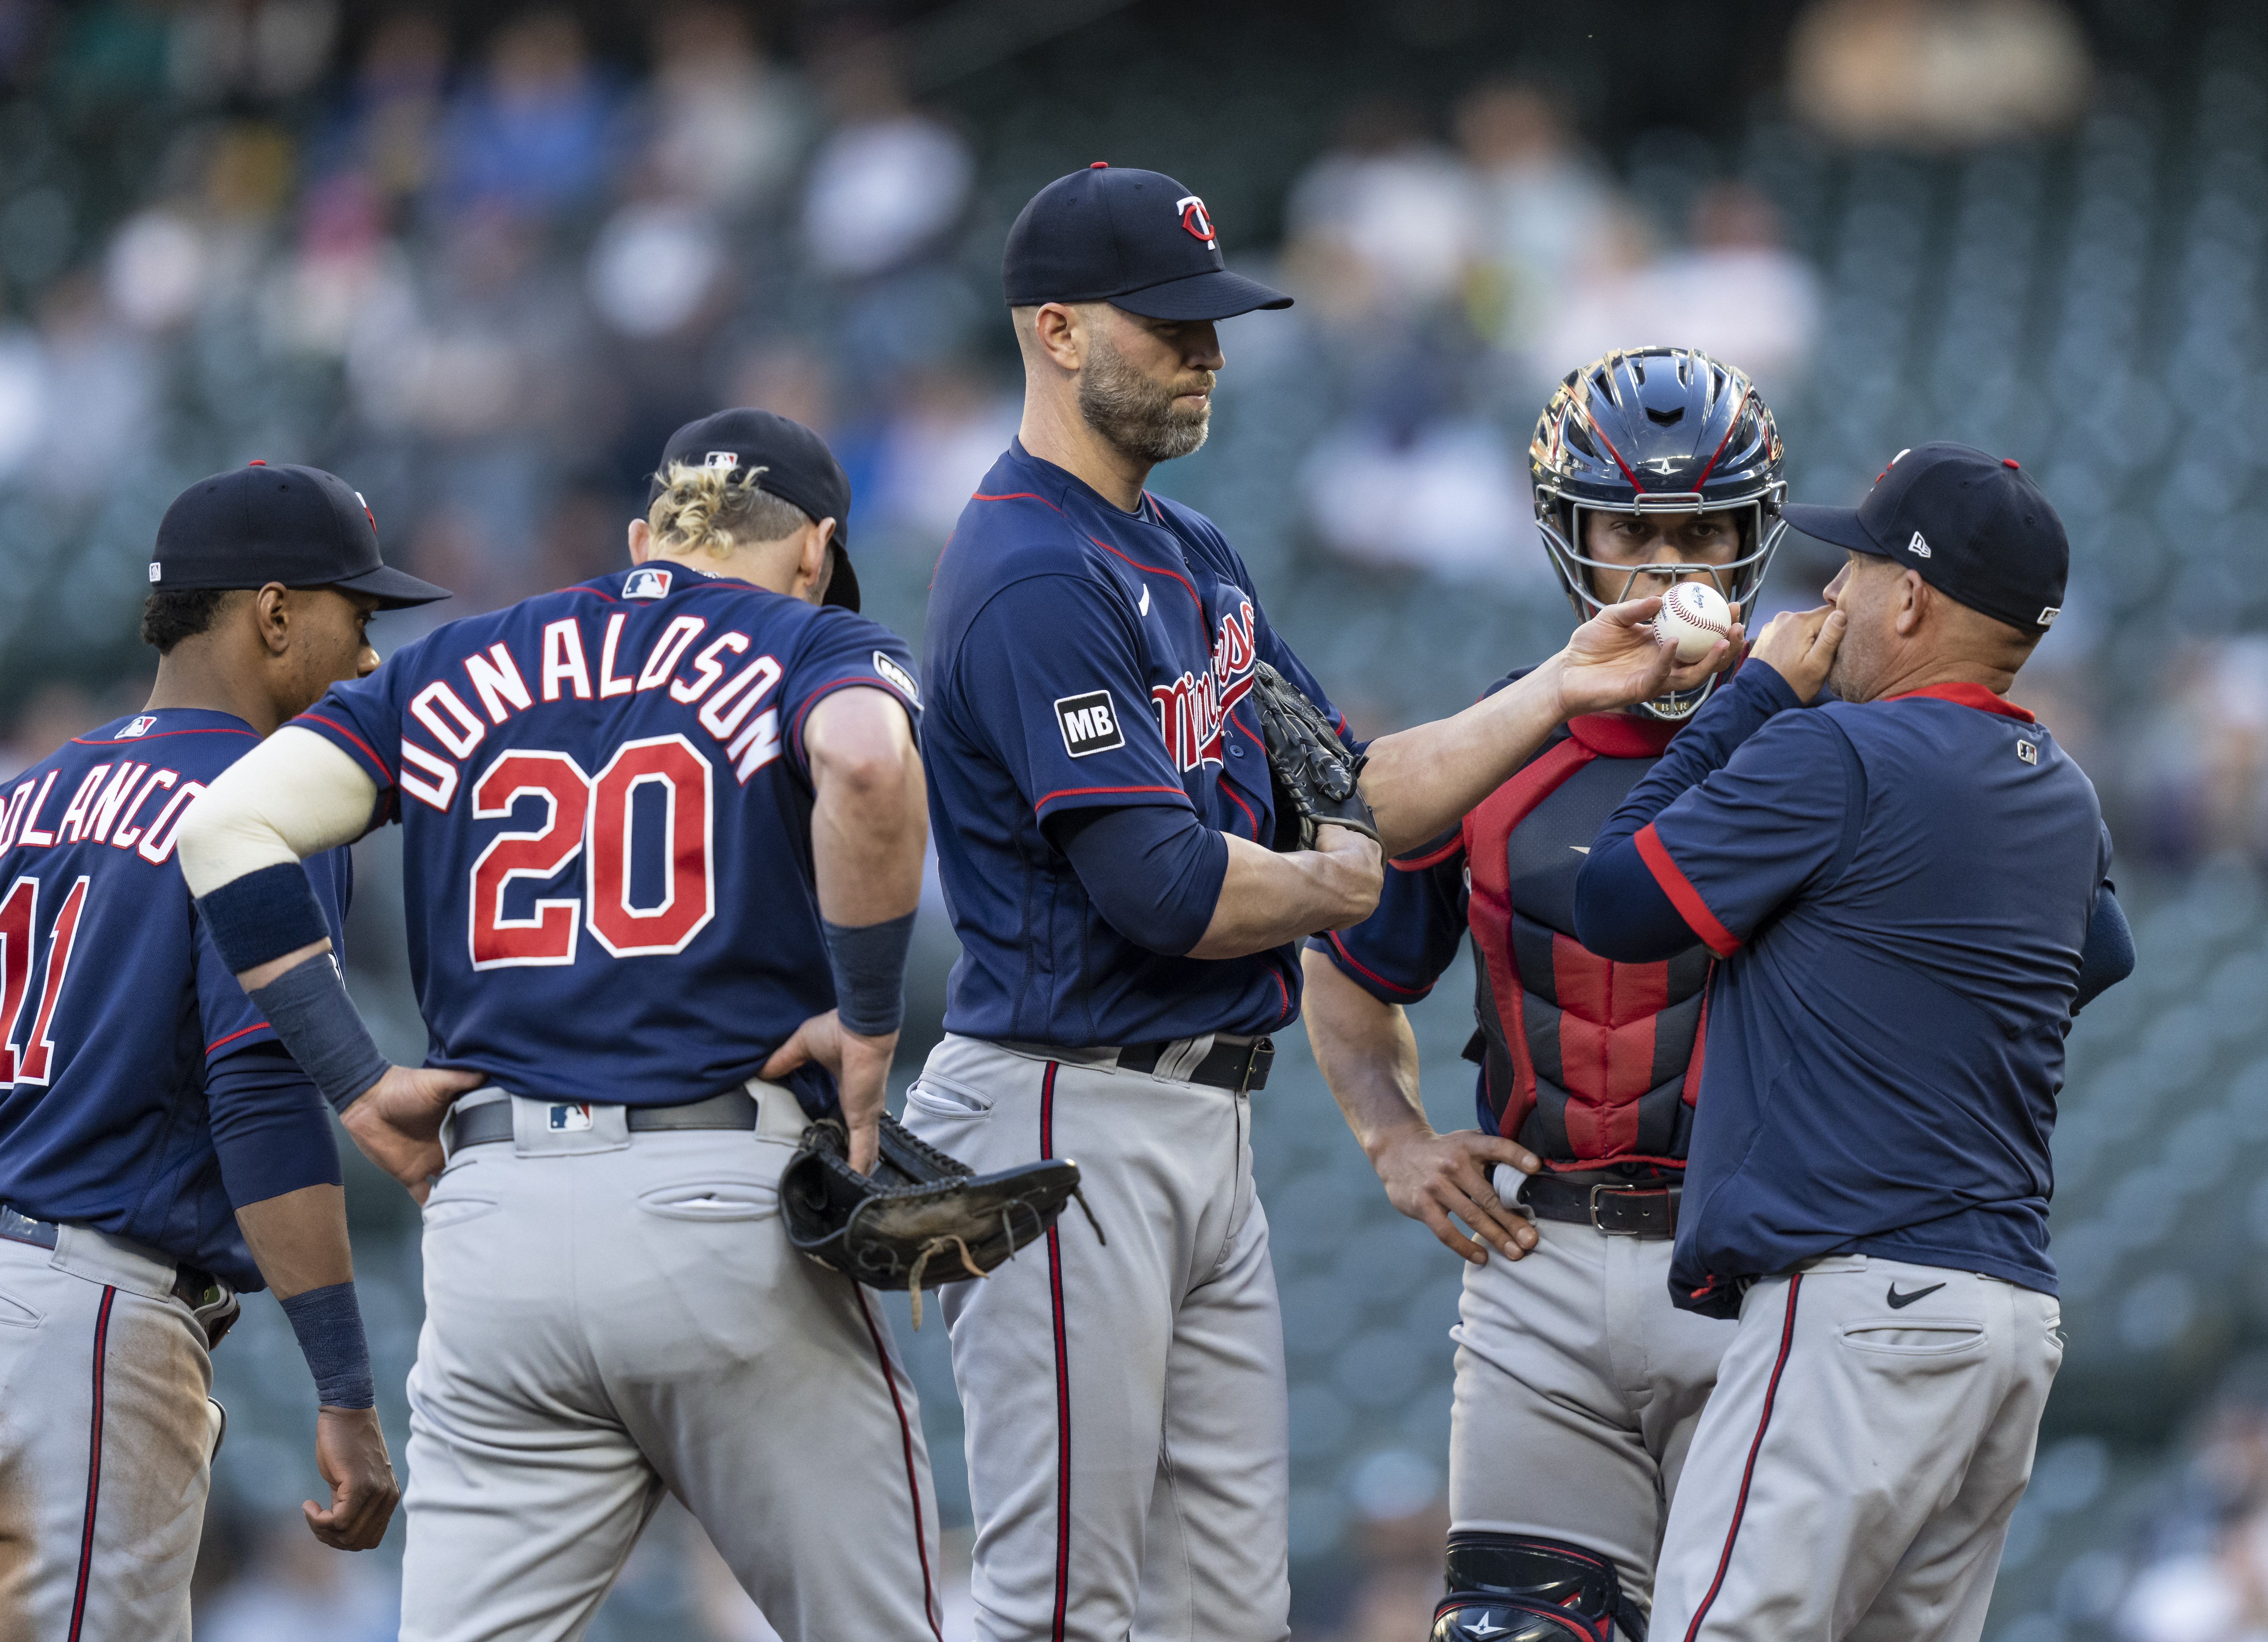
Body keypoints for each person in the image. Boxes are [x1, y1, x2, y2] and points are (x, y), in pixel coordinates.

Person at [905, 165, 1739, 1642]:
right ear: (1053, 331)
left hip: (1196, 1115)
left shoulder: (1188, 547)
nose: (1206, 351)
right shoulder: (1029, 569)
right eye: (1166, 324)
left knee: (1231, 1604)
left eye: (1212, 320)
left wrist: (1559, 687)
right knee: (1060, 1605)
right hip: (1063, 1105)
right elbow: (1166, 889)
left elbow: (1356, 780)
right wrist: (1334, 880)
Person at [175, 409, 949, 1640]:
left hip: (498, 1234)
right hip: (724, 1204)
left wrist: (358, 1082)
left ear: (645, 537)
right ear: (813, 549)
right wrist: (866, 1023)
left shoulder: (452, 661)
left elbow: (222, 830)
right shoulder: (813, 638)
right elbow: (863, 757)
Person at [0, 459, 453, 1641]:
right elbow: (262, 1101)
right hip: (75, 1329)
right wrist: (343, 1389)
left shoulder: (22, 794)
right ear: (274, 613)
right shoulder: (270, 795)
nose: (370, 658)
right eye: (354, 616)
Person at [1570, 444, 2136, 1641]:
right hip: (2005, 1323)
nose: (1828, 594)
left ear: (1912, 598)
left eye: (1856, 567)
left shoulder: (1835, 753)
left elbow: (1614, 900)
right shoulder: (2062, 788)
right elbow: (2101, 955)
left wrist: (1752, 700)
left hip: (1857, 1306)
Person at [1301, 347, 1784, 1642]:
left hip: (1764, 1275)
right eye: (1633, 527)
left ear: (1753, 537)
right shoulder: (1484, 756)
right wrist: (1392, 1138)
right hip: (1541, 1260)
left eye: (1704, 529)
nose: (1670, 565)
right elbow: (1345, 974)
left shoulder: (1826, 750)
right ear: (1573, 536)